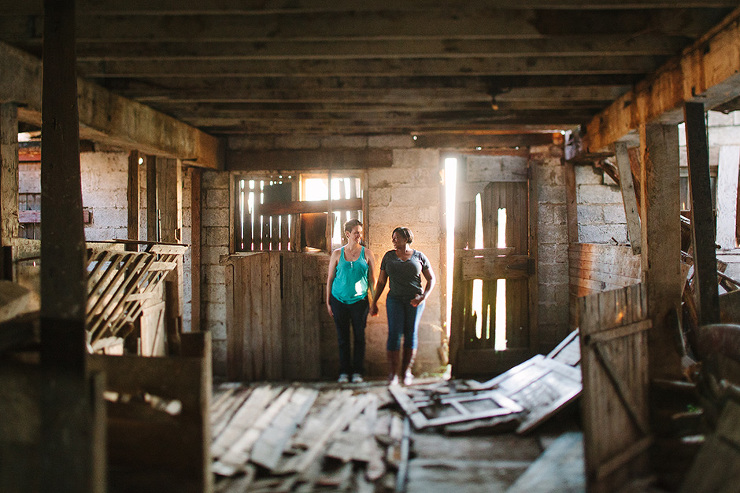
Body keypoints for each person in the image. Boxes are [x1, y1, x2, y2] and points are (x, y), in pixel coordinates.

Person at [370, 227, 435, 385]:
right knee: (394, 334)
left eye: (397, 237)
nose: (393, 240)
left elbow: (431, 279)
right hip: (395, 300)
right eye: (392, 238)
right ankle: (392, 374)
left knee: (410, 334)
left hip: (415, 301)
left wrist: (423, 296)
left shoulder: (419, 256)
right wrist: (374, 303)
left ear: (406, 238)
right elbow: (381, 282)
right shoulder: (388, 256)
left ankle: (406, 372)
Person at [326, 218, 376, 384]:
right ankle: (344, 372)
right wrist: (328, 302)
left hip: (360, 302)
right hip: (338, 301)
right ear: (347, 234)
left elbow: (372, 280)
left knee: (359, 337)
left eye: (360, 233)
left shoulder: (367, 254)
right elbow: (330, 279)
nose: (359, 236)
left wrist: (374, 301)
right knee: (343, 338)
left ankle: (357, 372)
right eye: (356, 233)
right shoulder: (337, 254)